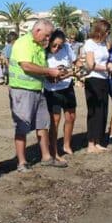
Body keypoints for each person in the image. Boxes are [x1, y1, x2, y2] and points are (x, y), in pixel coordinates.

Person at [8, 19, 67, 171]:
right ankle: (21, 162)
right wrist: (49, 72)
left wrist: (53, 76)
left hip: (37, 89)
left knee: (43, 124)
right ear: (37, 30)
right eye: (47, 36)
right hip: (22, 90)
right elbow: (26, 66)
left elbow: (40, 68)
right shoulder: (23, 43)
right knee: (22, 126)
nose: (48, 39)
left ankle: (46, 157)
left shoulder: (40, 46)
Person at [44, 29, 78, 160]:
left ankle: (66, 145)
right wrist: (70, 73)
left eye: (60, 45)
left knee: (71, 117)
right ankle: (54, 151)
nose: (57, 48)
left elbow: (75, 62)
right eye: (55, 45)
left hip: (67, 86)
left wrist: (78, 66)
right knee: (55, 121)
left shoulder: (67, 47)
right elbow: (51, 79)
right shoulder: (44, 52)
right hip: (52, 90)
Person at [83, 19, 112, 153]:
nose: (108, 34)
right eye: (107, 31)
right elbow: (90, 64)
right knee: (94, 111)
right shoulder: (89, 43)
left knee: (103, 111)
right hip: (93, 80)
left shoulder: (103, 44)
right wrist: (107, 68)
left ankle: (98, 141)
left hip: (104, 79)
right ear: (101, 31)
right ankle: (90, 143)